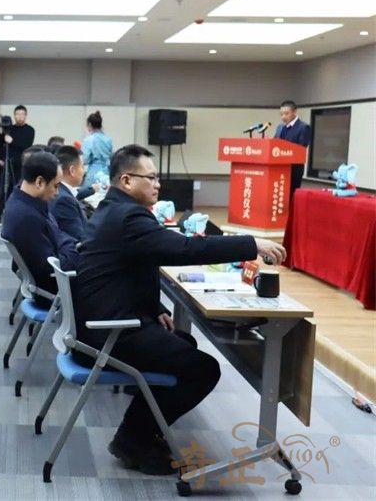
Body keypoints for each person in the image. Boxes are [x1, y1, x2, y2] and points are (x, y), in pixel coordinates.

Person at [74, 144, 287, 475]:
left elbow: (127, 268)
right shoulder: (129, 216)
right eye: (151, 177)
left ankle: (141, 431)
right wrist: (251, 244)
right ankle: (133, 439)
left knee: (183, 344)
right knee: (203, 369)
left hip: (102, 323)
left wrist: (153, 307)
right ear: (127, 180)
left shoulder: (112, 209)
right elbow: (184, 248)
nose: (158, 184)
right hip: (110, 333)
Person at [1, 151, 78, 308]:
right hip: (55, 291)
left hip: (50, 281)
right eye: (56, 185)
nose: (57, 192)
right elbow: (53, 268)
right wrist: (73, 248)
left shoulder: (23, 200)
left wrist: (67, 245)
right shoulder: (26, 217)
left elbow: (58, 234)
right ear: (39, 182)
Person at [50, 145, 89, 242]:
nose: (84, 172)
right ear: (72, 171)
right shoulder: (64, 199)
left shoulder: (60, 191)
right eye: (82, 167)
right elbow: (78, 238)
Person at [274, 100, 312, 197]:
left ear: (294, 112)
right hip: (278, 168)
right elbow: (274, 144)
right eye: (281, 114)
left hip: (294, 169)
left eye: (286, 114)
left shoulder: (303, 127)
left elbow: (301, 148)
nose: (283, 117)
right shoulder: (280, 127)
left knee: (291, 196)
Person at [4, 105, 35, 199]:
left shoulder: (30, 130)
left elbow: (27, 146)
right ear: (14, 116)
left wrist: (12, 141)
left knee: (21, 189)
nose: (20, 116)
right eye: (17, 114)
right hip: (9, 164)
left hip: (23, 165)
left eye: (22, 114)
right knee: (8, 190)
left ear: (25, 116)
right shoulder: (9, 129)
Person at [81, 110, 113, 188]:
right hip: (106, 173)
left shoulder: (88, 140)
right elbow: (111, 156)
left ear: (89, 124)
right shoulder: (108, 139)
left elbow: (86, 159)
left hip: (93, 174)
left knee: (89, 193)